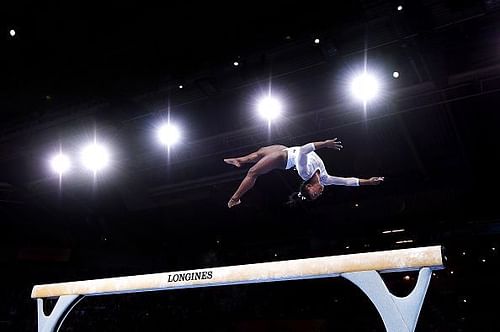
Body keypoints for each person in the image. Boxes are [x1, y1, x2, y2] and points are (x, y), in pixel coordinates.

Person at [224, 138, 384, 208]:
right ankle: (240, 160)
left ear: (308, 187)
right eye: (317, 196)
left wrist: (324, 145)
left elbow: (304, 150)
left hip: (283, 158)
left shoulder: (304, 171)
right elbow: (347, 181)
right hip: (285, 149)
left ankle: (235, 198)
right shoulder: (325, 178)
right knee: (260, 153)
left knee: (253, 172)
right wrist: (369, 181)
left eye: (314, 195)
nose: (319, 194)